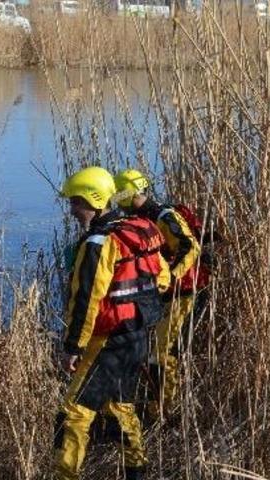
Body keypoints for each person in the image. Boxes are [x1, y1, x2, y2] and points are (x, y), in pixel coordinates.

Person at [54, 167, 170, 480]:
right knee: (121, 408)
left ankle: (64, 475)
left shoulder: (98, 243)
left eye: (76, 202)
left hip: (108, 340)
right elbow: (163, 279)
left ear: (94, 200)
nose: (72, 210)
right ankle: (137, 472)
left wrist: (73, 347)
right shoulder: (138, 230)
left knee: (74, 413)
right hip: (137, 335)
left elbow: (86, 299)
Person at [113, 169, 202, 417]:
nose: (118, 203)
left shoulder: (164, 216)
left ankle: (165, 410)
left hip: (181, 295)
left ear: (129, 194)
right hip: (161, 296)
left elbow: (190, 247)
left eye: (120, 197)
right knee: (152, 352)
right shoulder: (144, 217)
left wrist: (170, 278)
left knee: (163, 353)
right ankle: (156, 407)